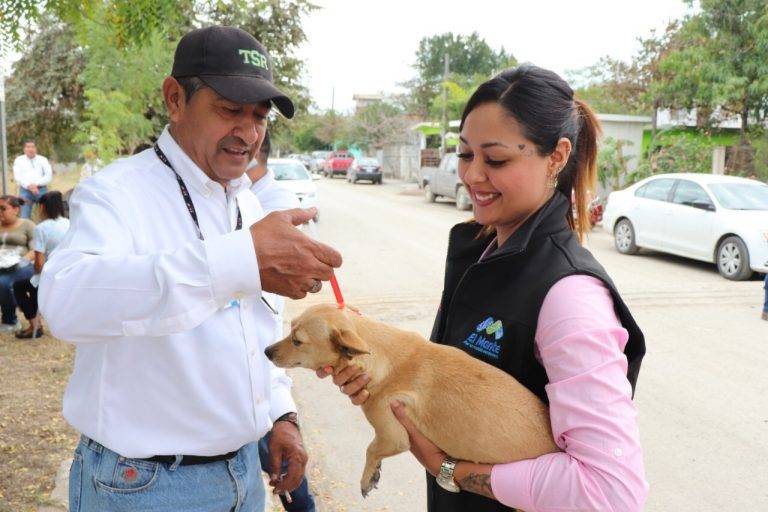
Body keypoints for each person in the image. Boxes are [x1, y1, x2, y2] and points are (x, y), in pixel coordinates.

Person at [39, 26, 342, 512]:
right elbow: (66, 304)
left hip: (243, 473)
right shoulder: (117, 194)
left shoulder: (244, 201)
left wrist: (282, 414)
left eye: (260, 116)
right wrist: (239, 261)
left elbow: (252, 328)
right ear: (175, 99)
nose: (248, 132)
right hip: (142, 486)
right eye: (230, 110)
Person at [324, 65, 648, 511]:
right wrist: (371, 361)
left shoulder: (570, 296)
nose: (473, 175)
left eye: (495, 160)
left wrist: (451, 472)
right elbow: (442, 382)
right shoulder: (480, 252)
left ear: (556, 156)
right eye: (464, 155)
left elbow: (610, 492)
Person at [247, 131, 317, 512]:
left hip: (261, 364)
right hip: (248, 375)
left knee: (291, 482)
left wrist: (282, 411)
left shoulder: (273, 204)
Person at [13, 191, 70, 339]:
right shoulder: (69, 223)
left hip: (50, 276)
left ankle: (35, 327)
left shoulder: (42, 228)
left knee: (20, 286)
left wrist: (33, 269)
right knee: (32, 285)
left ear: (43, 207)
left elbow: (39, 262)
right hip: (69, 273)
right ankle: (37, 324)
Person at [0, 195, 35, 332]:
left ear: (16, 209)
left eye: (3, 208)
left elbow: (36, 249)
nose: (0, 212)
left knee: (2, 282)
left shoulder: (27, 225)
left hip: (22, 266)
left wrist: (23, 260)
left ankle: (10, 320)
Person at [12, 139, 53, 218]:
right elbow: (18, 177)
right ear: (24, 149)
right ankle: (27, 230)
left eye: (33, 147)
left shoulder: (43, 159)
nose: (31, 149)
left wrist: (36, 185)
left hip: (41, 190)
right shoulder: (19, 160)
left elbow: (48, 175)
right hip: (25, 191)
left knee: (47, 215)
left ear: (36, 149)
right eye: (28, 147)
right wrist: (29, 186)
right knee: (24, 217)